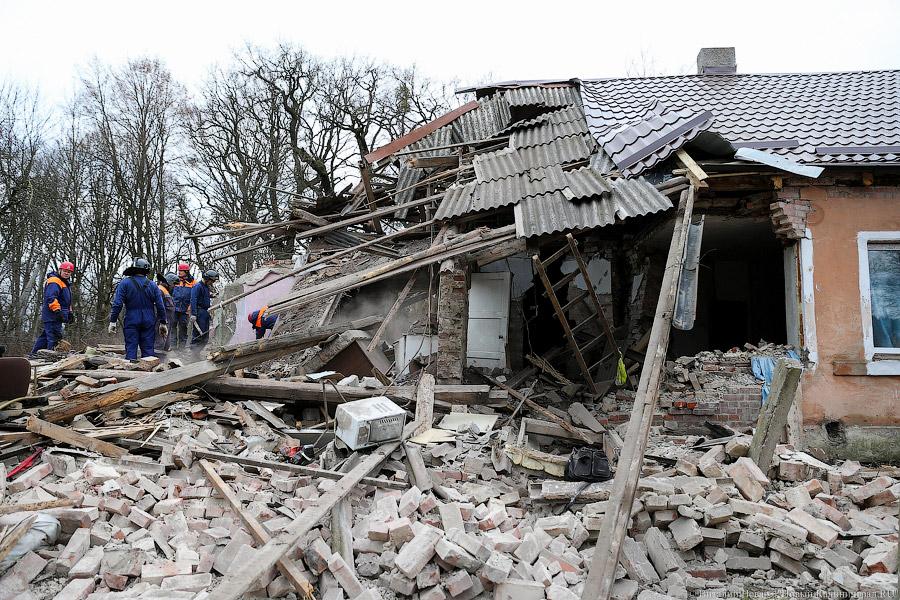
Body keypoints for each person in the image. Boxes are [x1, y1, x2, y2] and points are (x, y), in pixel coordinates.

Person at [108, 258, 168, 360]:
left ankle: (131, 373)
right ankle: (150, 374)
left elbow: (117, 304)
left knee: (131, 349)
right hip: (149, 319)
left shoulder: (124, 283)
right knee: (149, 352)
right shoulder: (153, 285)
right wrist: (163, 322)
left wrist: (113, 321)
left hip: (131, 319)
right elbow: (160, 305)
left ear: (133, 269)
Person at [31, 261, 75, 353]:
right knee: (54, 339)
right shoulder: (54, 281)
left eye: (69, 272)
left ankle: (33, 356)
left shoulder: (65, 283)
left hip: (57, 315)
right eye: (65, 271)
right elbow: (51, 297)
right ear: (60, 270)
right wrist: (57, 311)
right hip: (52, 315)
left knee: (45, 338)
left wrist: (70, 313)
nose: (66, 273)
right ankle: (50, 359)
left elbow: (66, 301)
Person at [190, 269, 218, 350]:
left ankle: (198, 353)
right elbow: (193, 299)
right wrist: (194, 314)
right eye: (212, 281)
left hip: (205, 312)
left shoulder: (205, 287)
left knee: (205, 335)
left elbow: (204, 295)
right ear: (207, 278)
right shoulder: (197, 286)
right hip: (199, 312)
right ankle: (194, 354)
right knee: (199, 334)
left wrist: (211, 295)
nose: (212, 283)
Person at [171, 263, 195, 350]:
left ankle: (181, 348)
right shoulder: (175, 280)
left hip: (185, 310)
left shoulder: (193, 282)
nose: (179, 272)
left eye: (181, 271)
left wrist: (190, 306)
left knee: (183, 328)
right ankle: (173, 347)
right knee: (172, 327)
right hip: (175, 308)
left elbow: (194, 296)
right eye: (179, 270)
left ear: (186, 271)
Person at [154, 272, 178, 353]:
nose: (174, 287)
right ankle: (157, 361)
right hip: (161, 322)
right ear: (169, 282)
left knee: (165, 345)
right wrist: (161, 322)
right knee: (159, 344)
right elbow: (157, 308)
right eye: (174, 284)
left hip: (167, 322)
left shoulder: (165, 291)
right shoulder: (160, 290)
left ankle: (163, 362)